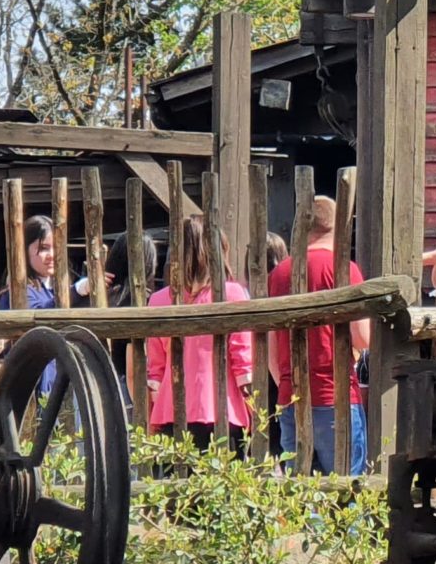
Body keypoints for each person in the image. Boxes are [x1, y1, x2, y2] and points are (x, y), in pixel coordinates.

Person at [266, 195, 369, 473]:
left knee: (301, 498)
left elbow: (271, 354)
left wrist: (287, 383)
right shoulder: (345, 269)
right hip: (335, 395)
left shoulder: (278, 274)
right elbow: (362, 338)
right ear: (339, 226)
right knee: (345, 494)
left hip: (290, 395)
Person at [144, 214, 253, 448]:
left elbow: (155, 369)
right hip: (224, 411)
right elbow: (243, 361)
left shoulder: (158, 300)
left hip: (171, 413)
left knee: (177, 483)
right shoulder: (232, 295)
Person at [0, 215, 63, 312]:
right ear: (25, 250)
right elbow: (37, 315)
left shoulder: (55, 285)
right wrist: (77, 291)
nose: (52, 255)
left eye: (56, 248)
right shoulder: (17, 287)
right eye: (43, 248)